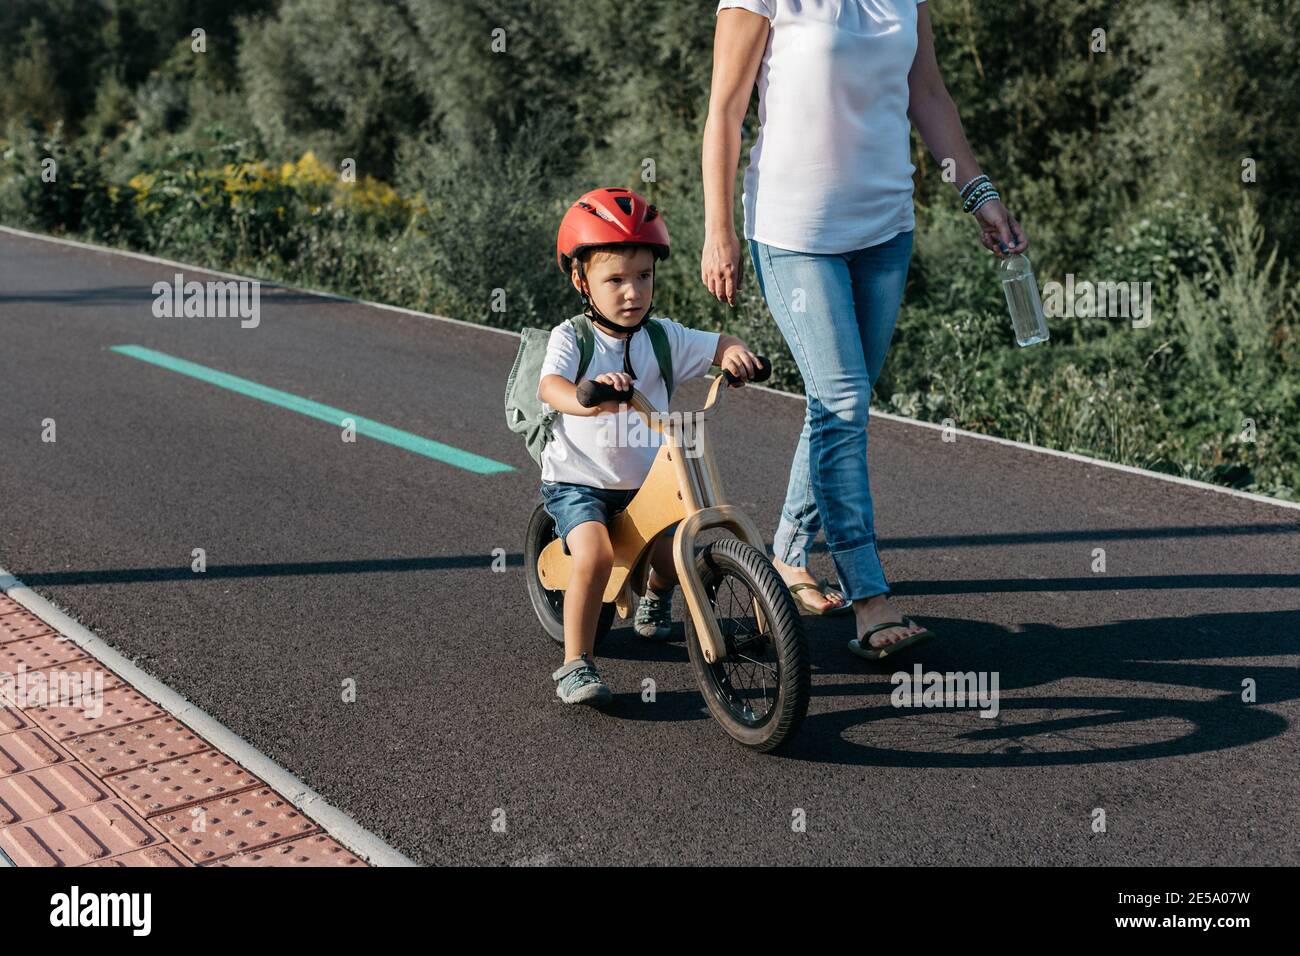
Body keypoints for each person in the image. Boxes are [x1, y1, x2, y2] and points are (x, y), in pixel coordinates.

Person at [701, 0, 1029, 659]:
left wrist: (978, 192)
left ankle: (789, 555)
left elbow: (927, 92)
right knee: (843, 400)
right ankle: (871, 599)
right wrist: (718, 231)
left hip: (885, 232)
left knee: (838, 404)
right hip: (796, 234)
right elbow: (726, 111)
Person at [539, 186, 763, 704]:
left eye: (642, 276)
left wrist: (734, 355)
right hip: (581, 480)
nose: (631, 291)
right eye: (614, 279)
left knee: (677, 546)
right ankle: (576, 663)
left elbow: (718, 341)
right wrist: (584, 397)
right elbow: (549, 386)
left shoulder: (662, 336)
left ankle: (654, 603)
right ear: (581, 280)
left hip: (643, 481)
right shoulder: (573, 337)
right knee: (593, 554)